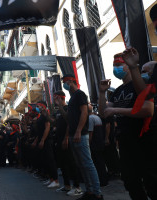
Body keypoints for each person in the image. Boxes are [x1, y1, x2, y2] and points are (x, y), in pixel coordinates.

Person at [104, 50, 157, 200]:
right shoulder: (119, 90)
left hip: (145, 138)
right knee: (130, 180)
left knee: (151, 181)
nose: (143, 74)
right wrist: (102, 94)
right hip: (127, 140)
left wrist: (116, 110)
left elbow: (147, 110)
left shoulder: (144, 84)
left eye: (145, 71)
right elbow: (105, 111)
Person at [63, 74, 103, 200]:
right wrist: (59, 105)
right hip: (73, 134)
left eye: (66, 82)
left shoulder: (80, 94)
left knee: (87, 163)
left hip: (81, 134)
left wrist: (79, 131)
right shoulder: (72, 98)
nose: (65, 85)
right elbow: (68, 119)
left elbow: (84, 112)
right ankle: (90, 191)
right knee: (81, 164)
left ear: (71, 81)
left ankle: (97, 193)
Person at [46, 91, 82, 196]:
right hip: (59, 140)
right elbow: (54, 123)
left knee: (71, 163)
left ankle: (77, 187)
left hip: (66, 140)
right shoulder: (57, 111)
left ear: (61, 98)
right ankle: (67, 186)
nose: (55, 100)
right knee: (63, 164)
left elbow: (69, 123)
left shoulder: (67, 108)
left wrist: (66, 138)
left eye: (56, 98)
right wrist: (46, 115)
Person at [88, 104, 108, 187]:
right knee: (101, 162)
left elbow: (90, 133)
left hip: (95, 144)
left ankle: (101, 181)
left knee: (97, 163)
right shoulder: (96, 117)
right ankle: (104, 180)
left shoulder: (90, 118)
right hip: (100, 142)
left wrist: (88, 144)